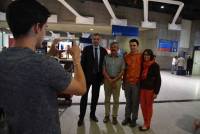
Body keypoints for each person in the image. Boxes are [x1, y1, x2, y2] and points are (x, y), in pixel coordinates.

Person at [0, 1, 86, 134]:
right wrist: (76, 59)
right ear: (36, 28)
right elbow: (80, 88)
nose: (45, 32)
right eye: (45, 27)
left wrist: (49, 55)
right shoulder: (45, 64)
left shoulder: (3, 58)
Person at [78, 33, 108, 126]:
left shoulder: (103, 51)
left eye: (97, 39)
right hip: (86, 78)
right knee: (84, 97)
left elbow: (105, 66)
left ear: (100, 40)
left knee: (95, 97)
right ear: (91, 40)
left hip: (98, 78)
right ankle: (81, 117)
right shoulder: (87, 49)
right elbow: (82, 64)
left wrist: (103, 78)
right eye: (94, 39)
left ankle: (92, 115)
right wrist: (81, 77)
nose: (95, 40)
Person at [102, 42, 125, 125]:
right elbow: (103, 70)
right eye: (112, 47)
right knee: (107, 99)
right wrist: (109, 79)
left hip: (117, 81)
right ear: (110, 48)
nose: (113, 48)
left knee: (116, 100)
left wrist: (114, 80)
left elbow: (122, 71)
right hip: (107, 80)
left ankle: (114, 116)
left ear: (118, 49)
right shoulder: (106, 57)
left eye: (115, 47)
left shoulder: (121, 58)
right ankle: (107, 115)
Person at [139, 49, 161, 131]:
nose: (146, 56)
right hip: (142, 89)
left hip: (150, 90)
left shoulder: (155, 65)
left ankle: (147, 124)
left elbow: (158, 80)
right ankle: (145, 121)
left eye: (148, 55)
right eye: (144, 55)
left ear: (151, 56)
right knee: (143, 107)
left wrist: (156, 92)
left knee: (148, 107)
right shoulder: (142, 64)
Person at [122, 39, 142, 127]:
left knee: (135, 102)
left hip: (137, 84)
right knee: (128, 101)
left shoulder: (141, 57)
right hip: (127, 83)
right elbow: (125, 71)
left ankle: (134, 119)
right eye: (131, 45)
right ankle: (127, 117)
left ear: (137, 46)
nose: (132, 47)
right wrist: (123, 82)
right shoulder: (127, 57)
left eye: (134, 45)